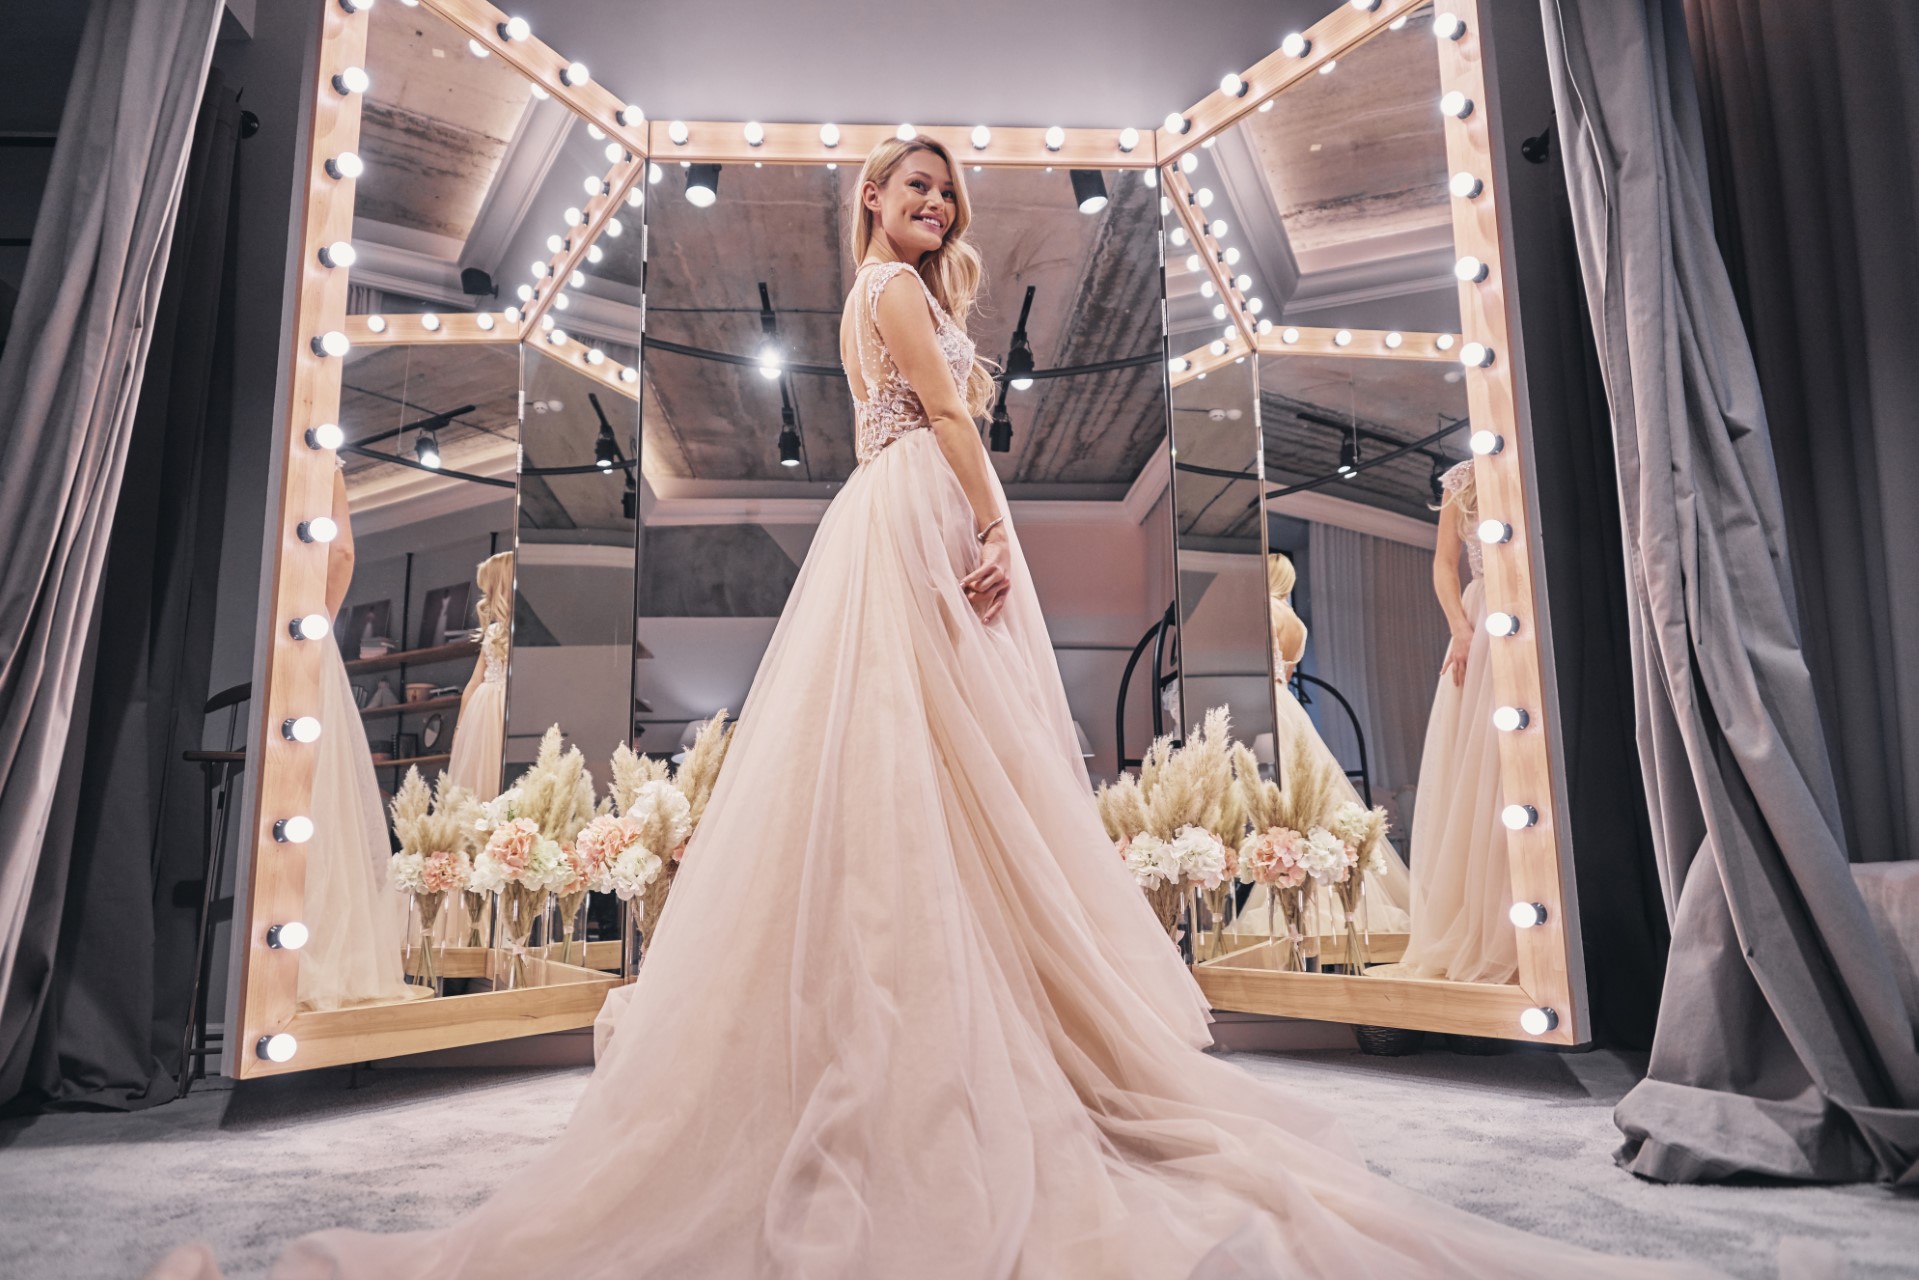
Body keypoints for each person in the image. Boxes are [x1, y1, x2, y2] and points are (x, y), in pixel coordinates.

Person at [155, 139, 1713, 1279]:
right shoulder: (891, 294)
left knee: (946, 782)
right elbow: (963, 425)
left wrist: (977, 500)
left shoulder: (902, 292)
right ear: (870, 208)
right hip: (919, 512)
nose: (932, 208)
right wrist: (995, 531)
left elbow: (960, 412)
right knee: (929, 767)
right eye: (913, 189)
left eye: (944, 194)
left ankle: (962, 1002)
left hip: (896, 512)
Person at [296, 462, 426, 1012]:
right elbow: (342, 553)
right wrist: (320, 618)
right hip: (304, 632)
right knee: (318, 809)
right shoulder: (321, 461)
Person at [1234, 553, 1414, 943]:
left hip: (1267, 707)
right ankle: (1339, 899)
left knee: (1283, 804)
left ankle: (1297, 901)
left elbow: (1255, 667)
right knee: (1313, 801)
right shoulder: (1295, 623)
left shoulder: (1263, 611)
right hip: (1292, 709)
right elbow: (1287, 673)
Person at [1396, 460, 1518, 984]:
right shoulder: (1463, 480)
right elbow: (1444, 565)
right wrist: (1461, 630)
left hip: (1532, 609)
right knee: (1478, 774)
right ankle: (1485, 931)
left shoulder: (1530, 451)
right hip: (1484, 623)